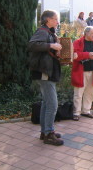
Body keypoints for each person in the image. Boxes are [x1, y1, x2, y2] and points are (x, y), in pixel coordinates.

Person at [28, 10, 64, 146]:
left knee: (46, 103)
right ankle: (49, 134)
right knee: (52, 104)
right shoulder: (42, 31)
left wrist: (57, 50)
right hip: (44, 73)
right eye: (55, 19)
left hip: (47, 72)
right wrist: (51, 45)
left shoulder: (49, 32)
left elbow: (46, 53)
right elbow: (31, 45)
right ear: (48, 20)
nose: (57, 22)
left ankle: (45, 132)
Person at [71, 26, 93, 121]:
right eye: (92, 33)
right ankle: (76, 112)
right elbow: (75, 55)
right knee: (78, 93)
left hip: (92, 71)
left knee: (90, 93)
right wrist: (88, 55)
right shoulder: (77, 42)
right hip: (80, 72)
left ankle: (86, 110)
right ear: (86, 33)